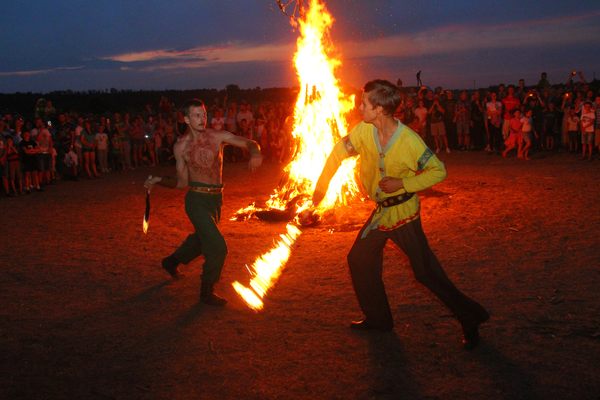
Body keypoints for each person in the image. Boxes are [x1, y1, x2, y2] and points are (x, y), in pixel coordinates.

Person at [311, 80, 489, 349]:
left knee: (425, 272)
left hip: (404, 214)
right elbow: (338, 151)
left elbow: (438, 171)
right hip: (382, 214)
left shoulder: (408, 140)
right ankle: (378, 319)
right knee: (359, 259)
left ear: (379, 109)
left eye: (364, 103)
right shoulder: (364, 130)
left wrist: (403, 184)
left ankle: (470, 316)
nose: (359, 107)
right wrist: (321, 187)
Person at [144, 99, 262, 306]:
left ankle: (171, 261)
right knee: (217, 247)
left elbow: (250, 143)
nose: (202, 119)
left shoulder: (218, 136)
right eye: (196, 115)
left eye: (204, 114)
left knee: (202, 238)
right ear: (186, 119)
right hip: (196, 200)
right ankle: (206, 291)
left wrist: (255, 153)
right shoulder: (181, 146)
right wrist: (158, 180)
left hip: (216, 200)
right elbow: (182, 182)